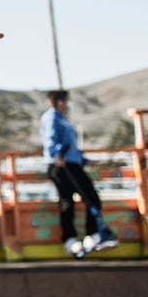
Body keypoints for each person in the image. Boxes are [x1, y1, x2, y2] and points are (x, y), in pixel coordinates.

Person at [40, 90, 118, 255]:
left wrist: (86, 161)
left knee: (91, 197)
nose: (69, 105)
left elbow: (71, 147)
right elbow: (50, 139)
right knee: (68, 202)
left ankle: (93, 235)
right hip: (61, 166)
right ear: (60, 102)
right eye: (67, 101)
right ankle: (70, 240)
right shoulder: (52, 117)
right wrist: (55, 155)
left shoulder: (63, 120)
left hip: (72, 164)